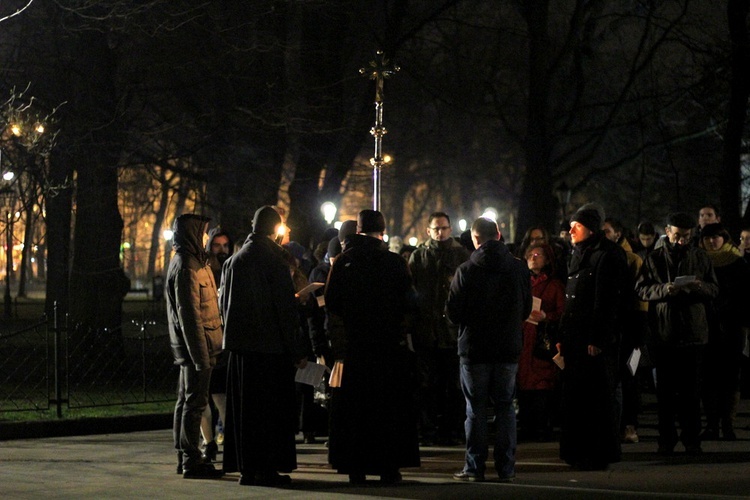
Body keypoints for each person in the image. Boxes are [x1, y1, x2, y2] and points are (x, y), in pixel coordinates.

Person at [325, 209, 420, 484]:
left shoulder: (343, 263)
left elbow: (332, 304)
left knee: (357, 410)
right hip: (388, 347)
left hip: (355, 348)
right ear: (382, 232)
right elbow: (411, 303)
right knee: (386, 409)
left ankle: (356, 467)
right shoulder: (394, 262)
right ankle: (389, 466)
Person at [220, 206, 310, 486]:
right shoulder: (274, 262)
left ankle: (248, 468)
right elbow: (283, 310)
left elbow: (226, 305)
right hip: (271, 351)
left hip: (241, 351)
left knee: (246, 414)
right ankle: (268, 468)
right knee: (269, 414)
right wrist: (295, 350)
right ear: (275, 229)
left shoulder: (234, 261)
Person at [446, 217, 532, 483]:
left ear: (475, 239)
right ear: (499, 234)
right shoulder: (518, 269)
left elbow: (453, 312)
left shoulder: (465, 270)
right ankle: (506, 468)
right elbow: (526, 309)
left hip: (474, 349)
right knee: (506, 407)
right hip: (507, 348)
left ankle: (475, 467)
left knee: (476, 408)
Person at [635, 212, 719, 455]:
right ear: (668, 232)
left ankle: (692, 440)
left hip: (693, 333)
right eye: (677, 235)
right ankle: (667, 439)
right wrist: (664, 289)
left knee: (691, 393)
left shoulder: (700, 256)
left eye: (686, 236)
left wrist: (699, 287)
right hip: (665, 333)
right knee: (666, 394)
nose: (681, 240)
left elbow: (714, 288)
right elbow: (641, 289)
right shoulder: (654, 258)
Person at [558, 203, 628, 470]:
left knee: (596, 398)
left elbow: (608, 302)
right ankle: (576, 451)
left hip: (593, 341)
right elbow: (571, 298)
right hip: (575, 338)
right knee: (575, 397)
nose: (571, 230)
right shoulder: (578, 253)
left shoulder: (609, 255)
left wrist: (598, 339)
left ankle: (598, 453)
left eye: (577, 225)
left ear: (590, 228)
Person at [166, 214, 224, 479]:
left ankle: (185, 455)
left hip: (198, 346)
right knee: (194, 402)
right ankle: (191, 459)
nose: (205, 237)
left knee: (186, 401)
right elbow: (189, 315)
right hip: (196, 348)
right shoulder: (187, 265)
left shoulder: (192, 262)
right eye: (202, 233)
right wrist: (201, 356)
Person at [408, 211, 470, 445]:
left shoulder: (460, 255)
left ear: (450, 229)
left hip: (451, 330)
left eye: (444, 228)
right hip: (427, 330)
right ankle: (429, 428)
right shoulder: (419, 256)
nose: (440, 233)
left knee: (453, 384)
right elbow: (412, 291)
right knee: (427, 385)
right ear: (429, 231)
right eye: (436, 229)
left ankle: (452, 429)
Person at [698, 223, 750, 440]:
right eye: (708, 238)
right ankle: (711, 424)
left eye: (716, 237)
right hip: (706, 325)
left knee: (730, 377)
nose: (712, 241)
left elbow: (746, 294)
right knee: (708, 377)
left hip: (732, 325)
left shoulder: (737, 262)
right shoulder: (699, 261)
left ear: (724, 238)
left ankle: (727, 423)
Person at [603, 217, 647, 444]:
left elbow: (640, 300)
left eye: (607, 231)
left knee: (630, 375)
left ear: (617, 234)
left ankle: (630, 424)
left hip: (630, 328)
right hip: (613, 328)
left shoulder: (632, 260)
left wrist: (639, 335)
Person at [517, 243, 565, 442]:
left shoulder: (554, 285)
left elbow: (562, 312)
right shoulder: (521, 282)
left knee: (541, 385)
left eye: (538, 255)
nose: (533, 258)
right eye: (530, 255)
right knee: (524, 386)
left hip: (540, 343)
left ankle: (541, 427)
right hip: (522, 340)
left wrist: (547, 316)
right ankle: (527, 427)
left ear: (547, 260)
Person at [199, 227, 233, 462]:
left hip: (223, 340)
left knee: (220, 395)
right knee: (204, 397)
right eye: (216, 245)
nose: (221, 250)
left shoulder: (230, 269)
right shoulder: (204, 271)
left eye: (225, 246)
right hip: (206, 338)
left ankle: (223, 439)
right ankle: (208, 441)